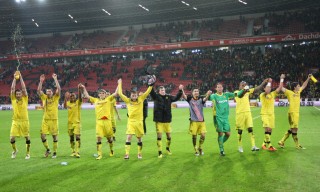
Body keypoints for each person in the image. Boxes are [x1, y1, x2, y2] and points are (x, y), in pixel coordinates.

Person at [118, 76, 155, 159]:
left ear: (136, 95)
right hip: (131, 122)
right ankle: (127, 154)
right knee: (129, 137)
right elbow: (120, 94)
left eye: (135, 94)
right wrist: (120, 83)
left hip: (139, 122)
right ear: (130, 95)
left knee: (139, 138)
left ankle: (139, 153)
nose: (134, 95)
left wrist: (151, 84)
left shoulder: (141, 98)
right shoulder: (128, 101)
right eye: (132, 94)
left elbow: (148, 91)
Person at [82, 86, 118, 160]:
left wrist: (119, 84)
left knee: (109, 139)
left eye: (103, 93)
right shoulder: (95, 100)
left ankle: (111, 150)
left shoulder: (108, 99)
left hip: (107, 122)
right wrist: (84, 88)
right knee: (98, 138)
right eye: (100, 93)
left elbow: (115, 93)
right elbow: (87, 96)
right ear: (98, 95)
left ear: (105, 94)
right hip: (99, 122)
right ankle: (99, 154)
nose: (102, 94)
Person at [234, 78, 268, 153]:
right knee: (240, 131)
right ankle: (240, 146)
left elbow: (257, 89)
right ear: (239, 86)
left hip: (248, 113)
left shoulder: (247, 91)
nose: (243, 86)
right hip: (240, 113)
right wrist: (244, 90)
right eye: (242, 85)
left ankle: (253, 146)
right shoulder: (236, 92)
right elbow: (240, 96)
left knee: (250, 129)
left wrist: (263, 83)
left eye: (244, 85)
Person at [278, 74, 312, 149]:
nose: (299, 87)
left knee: (292, 128)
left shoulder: (298, 92)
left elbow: (304, 85)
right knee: (295, 129)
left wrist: (308, 78)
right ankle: (297, 145)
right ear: (294, 87)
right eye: (298, 86)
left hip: (293, 113)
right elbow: (280, 88)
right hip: (293, 113)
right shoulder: (289, 92)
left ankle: (282, 141)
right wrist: (281, 79)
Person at [150, 85, 183, 158]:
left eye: (164, 90)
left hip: (167, 120)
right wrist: (151, 85)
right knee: (159, 136)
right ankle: (160, 152)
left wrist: (180, 90)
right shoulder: (156, 97)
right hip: (159, 120)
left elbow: (176, 98)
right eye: (161, 90)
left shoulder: (168, 97)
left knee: (169, 136)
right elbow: (151, 92)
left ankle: (167, 149)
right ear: (159, 91)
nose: (163, 91)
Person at [37, 73, 61, 158]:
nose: (48, 92)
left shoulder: (56, 97)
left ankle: (54, 152)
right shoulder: (44, 97)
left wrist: (55, 79)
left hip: (54, 120)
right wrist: (41, 81)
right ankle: (48, 149)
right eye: (47, 91)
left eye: (50, 91)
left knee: (54, 137)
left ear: (52, 92)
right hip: (46, 120)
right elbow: (39, 90)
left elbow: (59, 89)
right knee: (42, 135)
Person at [182, 87, 211, 156]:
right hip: (194, 121)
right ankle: (195, 149)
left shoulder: (201, 99)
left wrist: (208, 94)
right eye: (195, 91)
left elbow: (205, 99)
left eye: (197, 91)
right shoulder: (190, 99)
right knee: (194, 136)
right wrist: (182, 89)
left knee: (203, 136)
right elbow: (184, 96)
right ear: (192, 93)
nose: (196, 92)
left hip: (201, 121)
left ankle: (200, 147)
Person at [260, 74, 285, 151]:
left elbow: (280, 88)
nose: (269, 89)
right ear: (264, 88)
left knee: (270, 130)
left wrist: (281, 79)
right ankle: (270, 146)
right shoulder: (262, 95)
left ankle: (264, 144)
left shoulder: (273, 94)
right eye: (267, 87)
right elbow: (267, 91)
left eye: (270, 87)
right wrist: (269, 82)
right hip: (264, 114)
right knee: (267, 129)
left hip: (271, 115)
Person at [10, 71, 31, 159]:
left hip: (24, 121)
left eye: (19, 94)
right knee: (11, 139)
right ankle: (15, 151)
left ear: (21, 94)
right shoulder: (13, 99)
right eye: (17, 94)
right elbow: (12, 88)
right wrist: (15, 78)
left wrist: (21, 77)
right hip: (15, 121)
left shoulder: (25, 98)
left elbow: (24, 88)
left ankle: (28, 153)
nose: (18, 95)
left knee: (27, 138)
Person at [209, 83, 235, 156]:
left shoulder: (226, 95)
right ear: (216, 89)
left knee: (228, 134)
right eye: (218, 87)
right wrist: (213, 103)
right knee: (220, 133)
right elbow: (212, 99)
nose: (219, 88)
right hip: (217, 117)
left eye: (220, 87)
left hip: (225, 117)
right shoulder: (214, 95)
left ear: (222, 88)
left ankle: (220, 142)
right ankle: (221, 150)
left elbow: (235, 94)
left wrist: (243, 91)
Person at [63, 84, 84, 158]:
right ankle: (73, 151)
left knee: (77, 137)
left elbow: (81, 98)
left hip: (77, 122)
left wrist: (79, 89)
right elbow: (64, 106)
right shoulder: (68, 103)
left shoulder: (78, 103)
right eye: (71, 96)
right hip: (69, 123)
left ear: (75, 97)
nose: (72, 97)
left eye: (73, 96)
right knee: (71, 138)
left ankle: (77, 151)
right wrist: (65, 97)